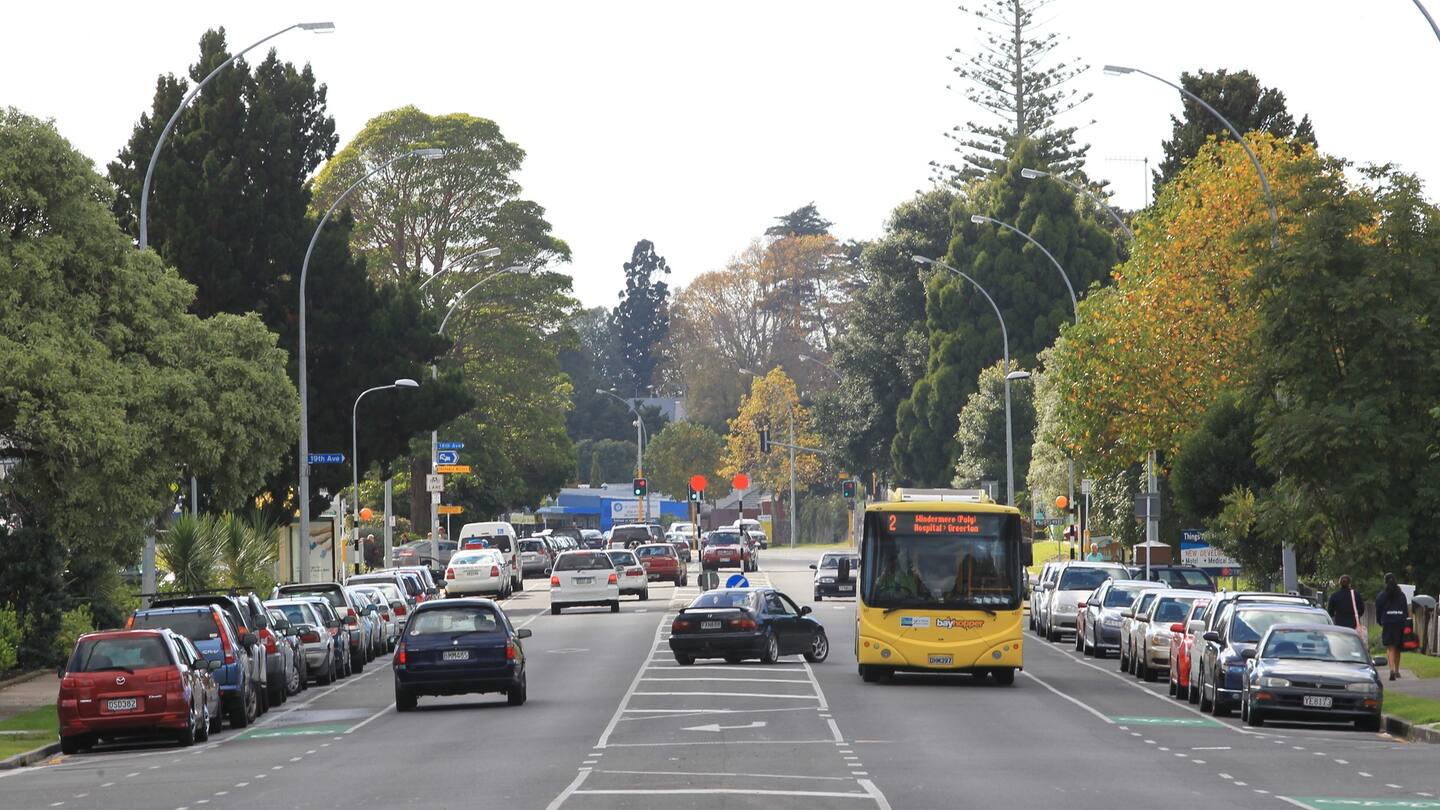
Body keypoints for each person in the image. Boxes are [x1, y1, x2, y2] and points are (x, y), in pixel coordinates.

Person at [1375, 572, 1410, 681]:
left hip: (1388, 622)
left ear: (1385, 582)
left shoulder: (1382, 595)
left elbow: (1378, 609)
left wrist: (1380, 621)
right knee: (1398, 647)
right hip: (1399, 622)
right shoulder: (1401, 595)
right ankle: (1397, 670)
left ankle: (1391, 670)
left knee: (1390, 647)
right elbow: (1405, 610)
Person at [1326, 574, 1366, 639]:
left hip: (1340, 624)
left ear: (1340, 584)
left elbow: (1330, 611)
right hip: (1353, 624)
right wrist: (1357, 615)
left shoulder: (1335, 596)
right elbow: (1361, 609)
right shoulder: (1356, 595)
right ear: (1349, 584)